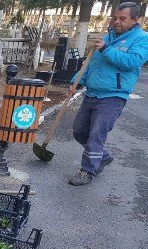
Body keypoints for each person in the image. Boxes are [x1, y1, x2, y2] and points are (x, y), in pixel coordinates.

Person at [67, 2, 148, 186]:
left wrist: (105, 48)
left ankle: (87, 171)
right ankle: (102, 157)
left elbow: (132, 62)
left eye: (122, 19)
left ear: (135, 20)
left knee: (96, 134)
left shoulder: (142, 38)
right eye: (115, 18)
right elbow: (92, 63)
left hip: (113, 96)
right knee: (80, 131)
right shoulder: (107, 36)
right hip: (92, 93)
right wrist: (76, 81)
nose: (117, 22)